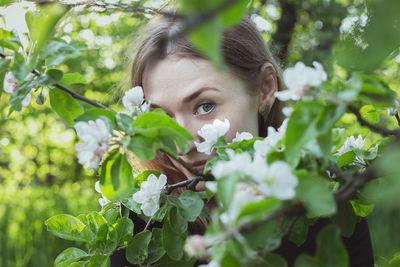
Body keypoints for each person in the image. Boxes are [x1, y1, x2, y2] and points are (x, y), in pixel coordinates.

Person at [111, 13, 374, 267]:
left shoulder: (329, 208)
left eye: (205, 106)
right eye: (163, 120)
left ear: (264, 89)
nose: (183, 145)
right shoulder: (139, 233)